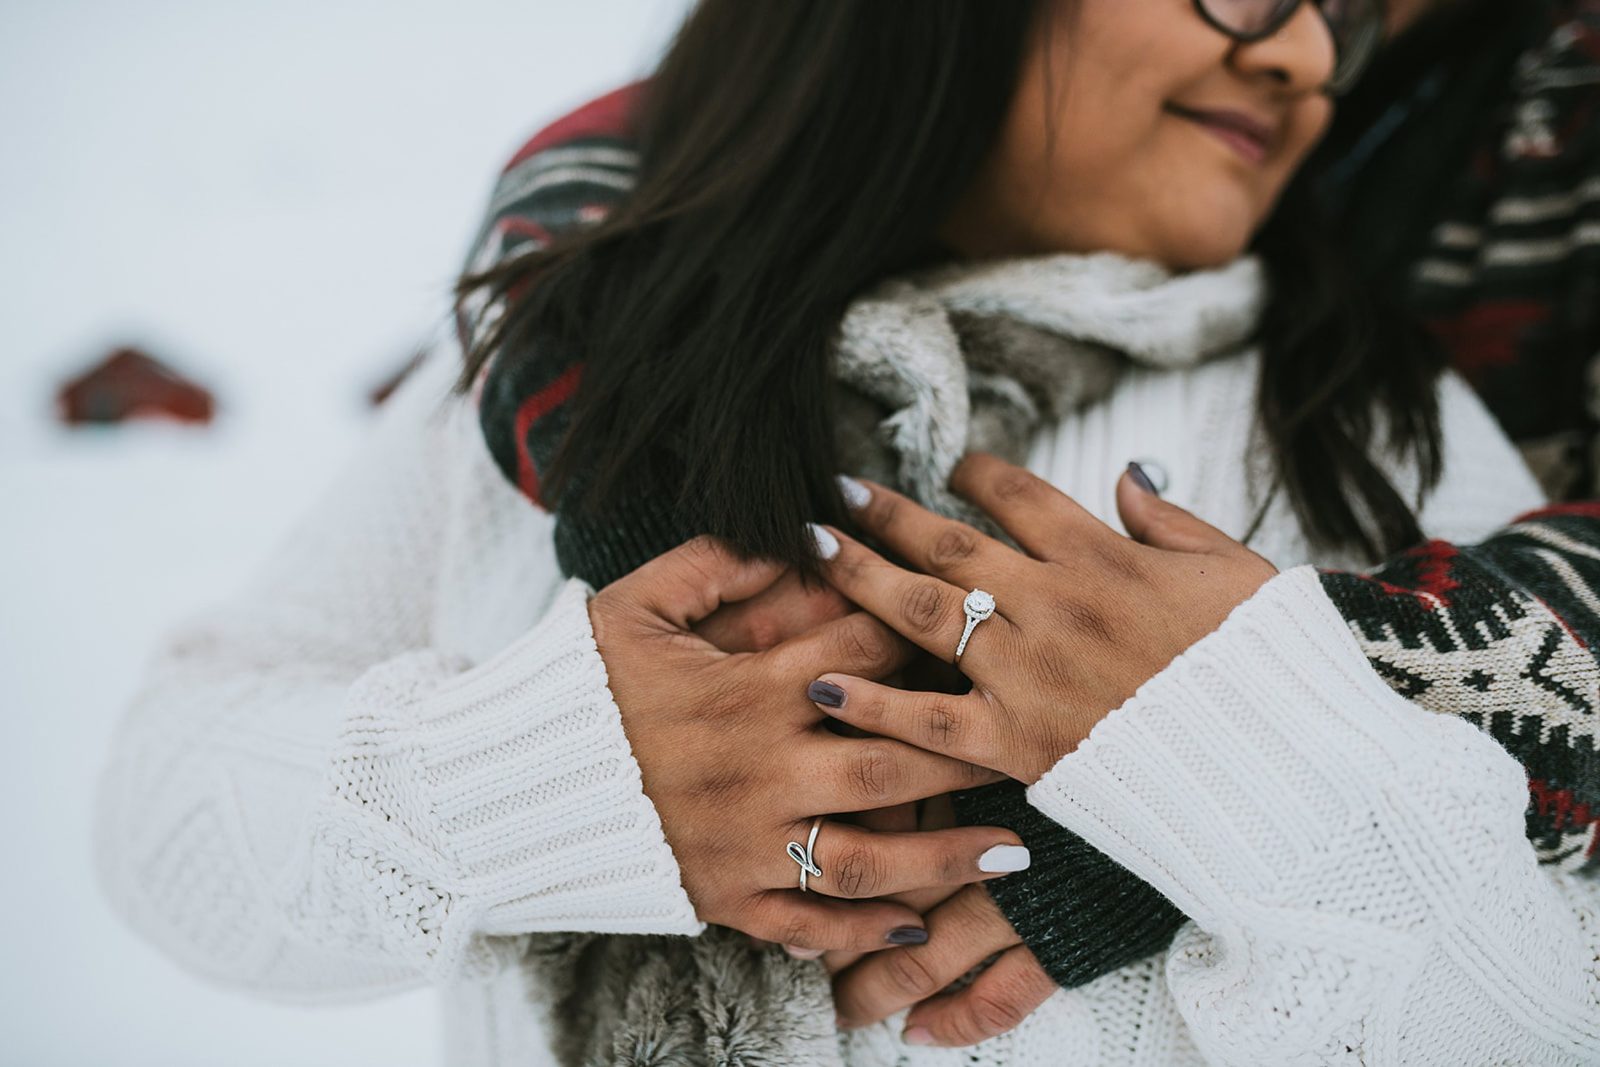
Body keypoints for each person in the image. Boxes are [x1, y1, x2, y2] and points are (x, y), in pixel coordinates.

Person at [93, 3, 1600, 1066]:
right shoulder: (595, 370)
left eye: (1344, 19)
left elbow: (1551, 1018)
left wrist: (1254, 775)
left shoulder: (1372, 424)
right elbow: (161, 825)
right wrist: (541, 782)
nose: (1306, 55)